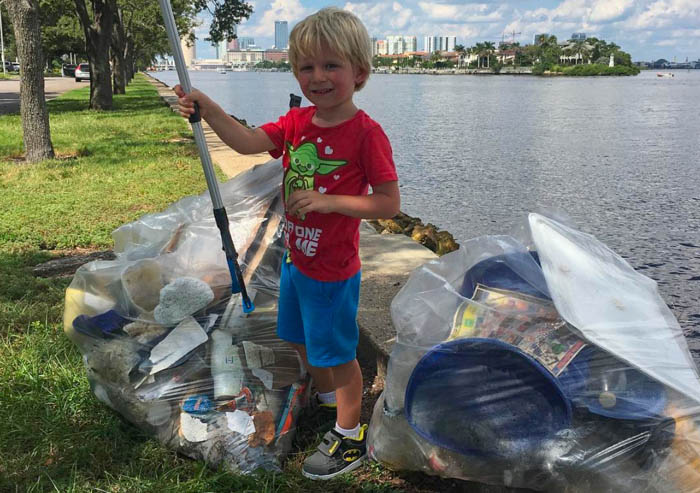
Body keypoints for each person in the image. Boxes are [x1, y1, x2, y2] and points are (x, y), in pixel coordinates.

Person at [174, 7, 400, 480]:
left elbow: (387, 204)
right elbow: (247, 142)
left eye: (331, 65)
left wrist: (329, 201)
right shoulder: (297, 124)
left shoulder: (366, 135)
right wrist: (210, 109)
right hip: (298, 262)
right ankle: (326, 397)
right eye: (306, 66)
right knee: (298, 339)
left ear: (359, 73)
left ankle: (349, 433)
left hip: (333, 272)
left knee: (338, 355)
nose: (317, 77)